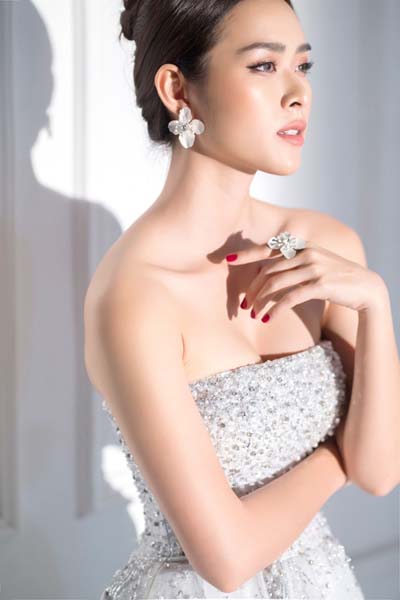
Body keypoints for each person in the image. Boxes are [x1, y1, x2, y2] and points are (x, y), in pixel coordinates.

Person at [84, 0, 399, 598]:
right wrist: (337, 455)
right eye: (263, 66)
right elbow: (225, 561)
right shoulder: (134, 296)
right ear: (178, 89)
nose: (298, 94)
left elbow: (380, 471)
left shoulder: (325, 247)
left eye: (303, 66)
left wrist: (376, 304)